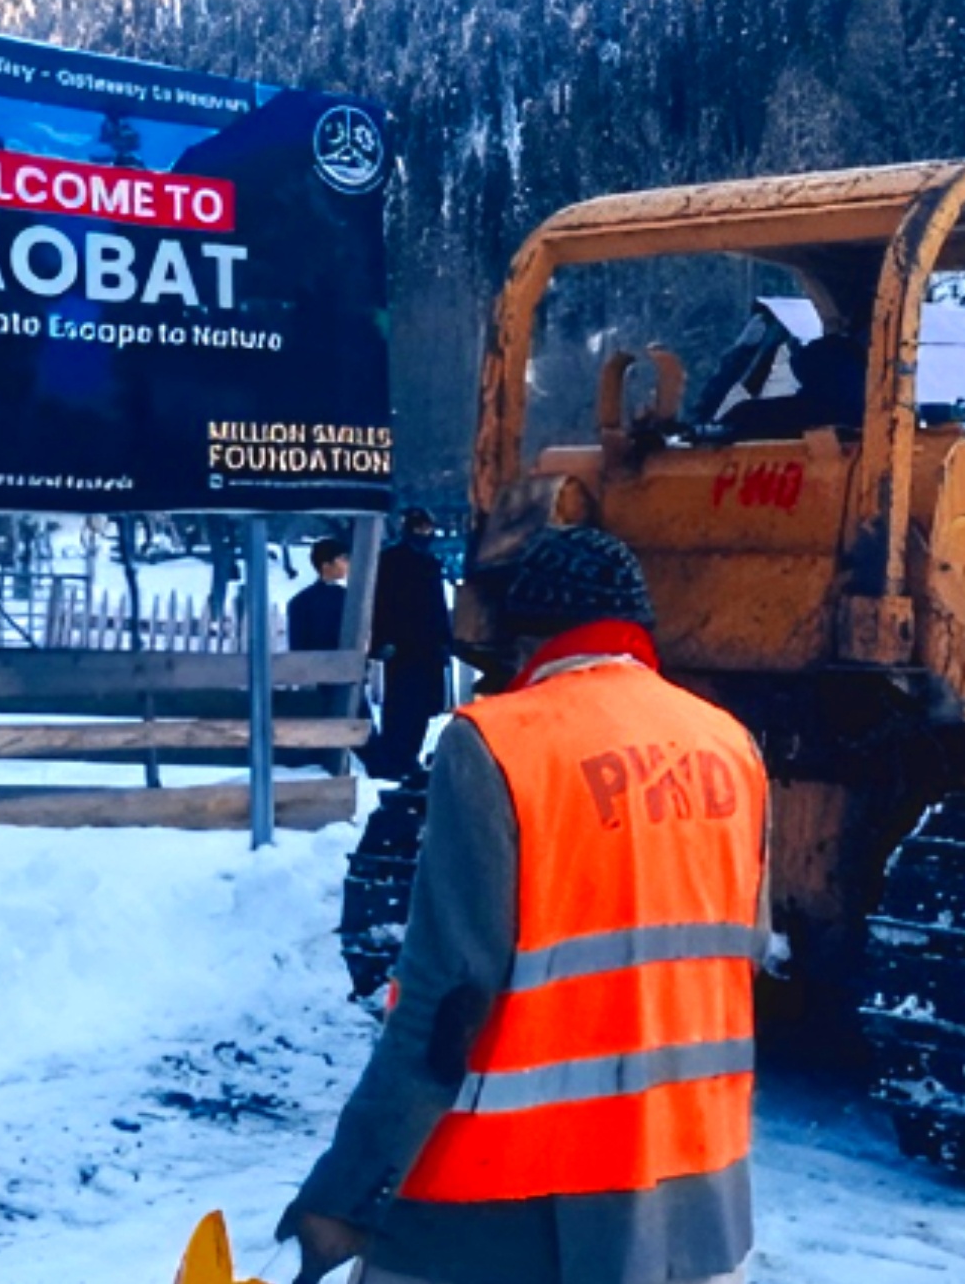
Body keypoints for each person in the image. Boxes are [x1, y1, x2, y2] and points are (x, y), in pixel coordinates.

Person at [280, 525, 770, 1284]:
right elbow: (733, 951)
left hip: (503, 1210)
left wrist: (346, 1194)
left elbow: (447, 1001)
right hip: (693, 1198)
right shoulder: (730, 744)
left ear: (523, 637)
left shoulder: (498, 744)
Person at [365, 509, 454, 781]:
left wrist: (444, 641)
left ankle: (408, 756)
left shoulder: (430, 562)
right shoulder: (390, 561)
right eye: (420, 528)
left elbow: (438, 607)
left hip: (427, 646)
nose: (425, 534)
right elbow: (380, 603)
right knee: (401, 705)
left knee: (424, 707)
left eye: (428, 528)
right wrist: (382, 640)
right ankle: (396, 758)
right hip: (402, 647)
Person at [288, 536, 354, 719]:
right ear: (327, 565)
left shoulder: (348, 597)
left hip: (342, 675)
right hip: (324, 677)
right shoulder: (304, 602)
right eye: (343, 559)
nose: (348, 563)